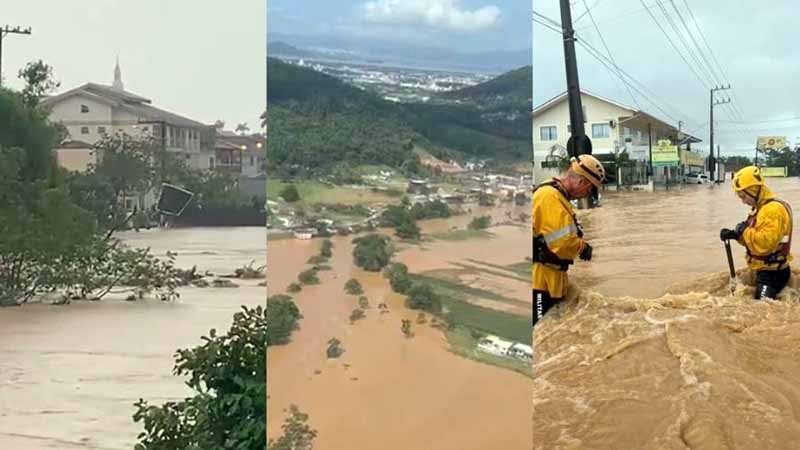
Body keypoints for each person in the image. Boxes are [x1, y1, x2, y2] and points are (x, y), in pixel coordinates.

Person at [533, 154, 606, 328]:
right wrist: (582, 247)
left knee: (550, 332)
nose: (588, 194)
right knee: (540, 328)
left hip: (551, 277)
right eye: (590, 189)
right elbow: (562, 242)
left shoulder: (557, 195)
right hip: (541, 281)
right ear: (582, 183)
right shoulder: (549, 197)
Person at [720, 166, 793, 300]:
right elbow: (753, 239)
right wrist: (736, 235)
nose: (743, 201)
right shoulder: (760, 208)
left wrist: (745, 231)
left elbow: (764, 244)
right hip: (764, 270)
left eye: (744, 196)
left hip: (773, 274)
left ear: (754, 190)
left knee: (761, 307)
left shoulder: (772, 210)